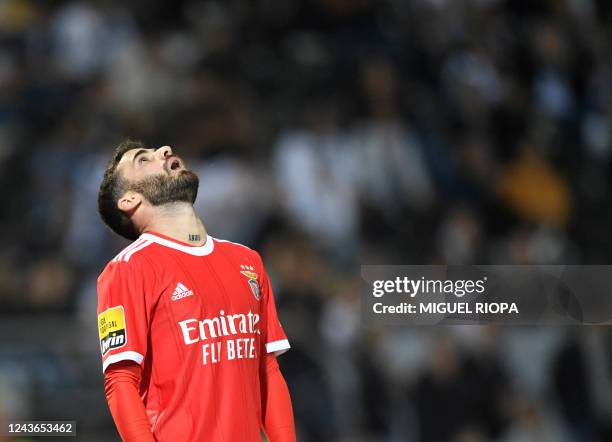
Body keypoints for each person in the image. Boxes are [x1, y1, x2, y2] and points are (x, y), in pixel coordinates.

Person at [96, 140, 296, 441]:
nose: (163, 150)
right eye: (143, 159)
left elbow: (267, 369)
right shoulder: (128, 269)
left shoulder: (247, 260)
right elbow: (120, 380)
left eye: (157, 150)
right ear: (129, 200)